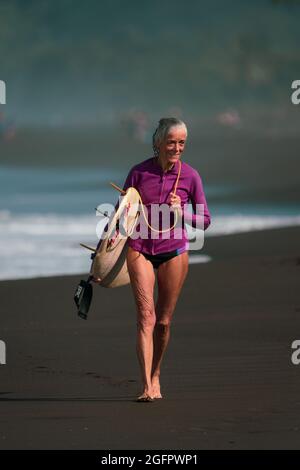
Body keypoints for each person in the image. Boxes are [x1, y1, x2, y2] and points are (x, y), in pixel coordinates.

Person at [122, 118, 211, 402]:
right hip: (140, 249)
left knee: (163, 322)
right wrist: (102, 258)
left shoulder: (191, 177)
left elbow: (205, 221)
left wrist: (182, 213)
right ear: (158, 142)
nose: (176, 148)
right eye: (171, 142)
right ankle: (146, 384)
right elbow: (119, 216)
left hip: (174, 251)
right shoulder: (138, 172)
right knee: (145, 318)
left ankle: (156, 372)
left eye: (182, 142)